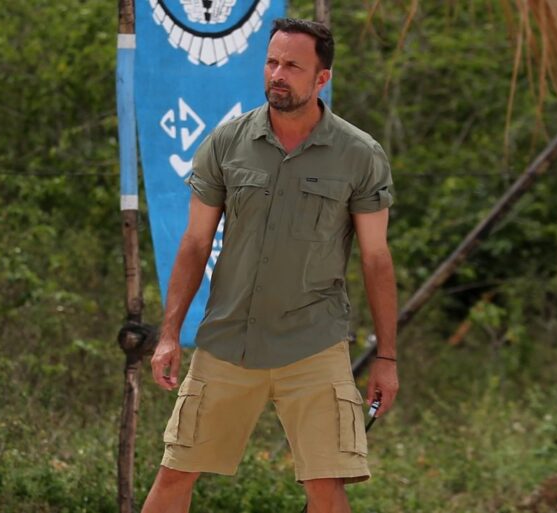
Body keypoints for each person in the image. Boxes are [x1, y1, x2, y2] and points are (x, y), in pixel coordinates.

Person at [141, 18, 398, 513]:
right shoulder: (226, 142)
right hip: (228, 340)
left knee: (327, 485)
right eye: (272, 62)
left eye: (292, 66)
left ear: (321, 78)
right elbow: (195, 243)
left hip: (314, 344)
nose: (277, 75)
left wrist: (386, 358)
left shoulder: (359, 155)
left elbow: (376, 259)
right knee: (175, 472)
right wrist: (169, 334)